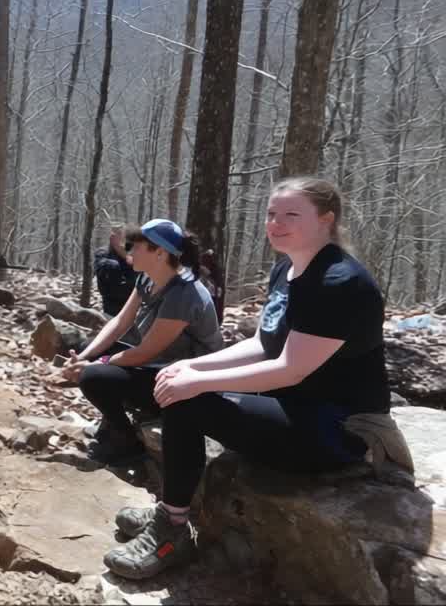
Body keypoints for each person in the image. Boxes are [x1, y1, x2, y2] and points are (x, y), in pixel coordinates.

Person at [102, 177, 402, 580]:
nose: (276, 224)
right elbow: (264, 344)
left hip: (340, 431)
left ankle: (172, 531)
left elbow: (290, 368)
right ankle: (172, 510)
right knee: (180, 384)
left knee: (187, 400)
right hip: (294, 407)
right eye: (271, 214)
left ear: (326, 220)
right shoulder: (288, 269)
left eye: (291, 215)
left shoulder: (338, 282)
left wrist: (199, 383)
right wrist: (197, 367)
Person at [64, 219, 224, 465]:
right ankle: (118, 421)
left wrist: (98, 364)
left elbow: (145, 352)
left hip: (186, 383)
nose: (129, 252)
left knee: (93, 377)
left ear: (159, 253)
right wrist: (86, 357)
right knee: (92, 350)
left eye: (136, 247)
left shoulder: (184, 293)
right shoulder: (148, 278)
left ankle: (127, 440)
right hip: (160, 365)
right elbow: (120, 322)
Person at [94, 227, 135, 316]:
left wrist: (125, 256)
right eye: (119, 236)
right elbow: (104, 269)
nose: (122, 240)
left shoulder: (131, 253)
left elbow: (139, 270)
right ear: (111, 238)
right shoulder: (103, 252)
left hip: (131, 302)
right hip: (111, 303)